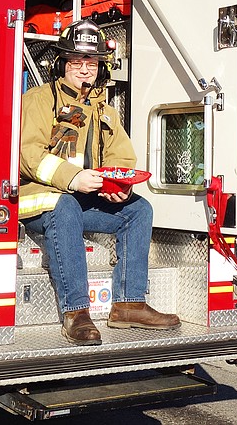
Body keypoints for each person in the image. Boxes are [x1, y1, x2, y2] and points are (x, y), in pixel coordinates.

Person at [19, 20, 180, 345]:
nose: (83, 70)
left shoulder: (104, 110)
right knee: (64, 206)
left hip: (81, 203)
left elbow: (122, 156)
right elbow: (28, 153)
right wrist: (74, 177)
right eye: (76, 62)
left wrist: (119, 185)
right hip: (40, 200)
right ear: (62, 64)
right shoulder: (39, 99)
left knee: (138, 210)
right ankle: (76, 314)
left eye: (90, 63)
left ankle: (128, 305)